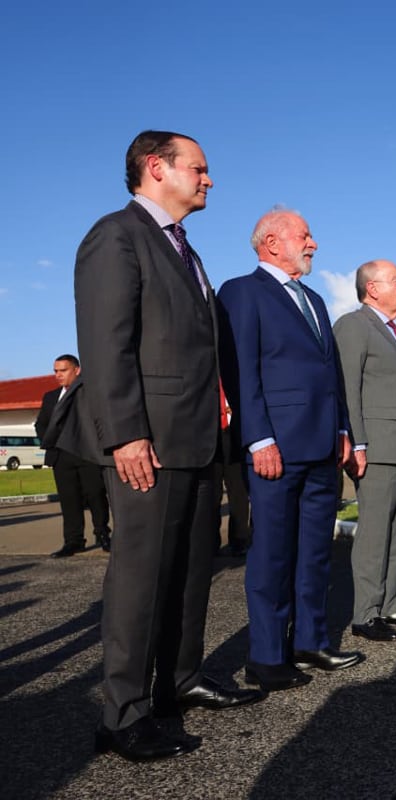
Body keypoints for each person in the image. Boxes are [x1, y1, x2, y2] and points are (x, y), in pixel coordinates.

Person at [63, 131, 262, 763]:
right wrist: (124, 433)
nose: (209, 180)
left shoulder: (187, 250)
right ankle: (122, 714)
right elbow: (106, 343)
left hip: (197, 439)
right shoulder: (116, 236)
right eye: (199, 169)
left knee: (189, 572)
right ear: (157, 168)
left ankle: (179, 680)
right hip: (148, 441)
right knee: (141, 581)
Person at [218, 208, 362, 693]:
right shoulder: (242, 292)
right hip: (275, 446)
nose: (314, 244)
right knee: (273, 555)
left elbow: (330, 373)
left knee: (315, 553)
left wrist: (343, 429)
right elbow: (240, 370)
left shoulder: (315, 300)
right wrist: (258, 438)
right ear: (272, 242)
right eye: (305, 235)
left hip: (322, 446)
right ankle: (266, 655)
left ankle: (311, 640)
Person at [333, 259, 396, 644]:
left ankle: (388, 604)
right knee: (374, 534)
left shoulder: (393, 331)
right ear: (372, 288)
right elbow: (348, 389)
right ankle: (365, 614)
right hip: (376, 449)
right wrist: (356, 443)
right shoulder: (354, 326)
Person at [34, 354, 110, 556]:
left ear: (77, 370)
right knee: (69, 500)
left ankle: (103, 534)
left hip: (88, 455)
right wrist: (51, 443)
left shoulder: (91, 394)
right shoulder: (50, 397)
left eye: (63, 370)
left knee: (96, 495)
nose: (58, 375)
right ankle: (73, 541)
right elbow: (41, 424)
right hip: (61, 456)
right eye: (55, 371)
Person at [217, 383, 251, 557]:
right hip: (212, 433)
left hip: (234, 431)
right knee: (212, 493)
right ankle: (211, 541)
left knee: (238, 490)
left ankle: (239, 539)